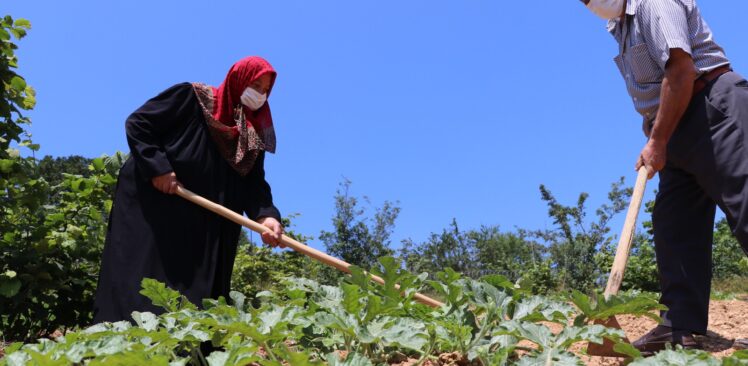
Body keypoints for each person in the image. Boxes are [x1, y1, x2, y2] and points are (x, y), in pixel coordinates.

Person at [581, 0, 748, 355]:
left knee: (745, 206)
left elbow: (681, 69)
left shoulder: (653, 3)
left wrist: (657, 140)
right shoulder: (621, 28)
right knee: (675, 225)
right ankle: (680, 327)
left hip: (712, 108)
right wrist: (659, 135)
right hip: (675, 127)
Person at [93, 56, 285, 323]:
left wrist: (267, 216)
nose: (260, 95)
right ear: (238, 79)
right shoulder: (192, 98)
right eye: (256, 85)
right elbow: (139, 123)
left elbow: (255, 185)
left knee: (198, 300)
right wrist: (158, 168)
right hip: (156, 212)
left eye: (266, 90)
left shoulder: (250, 138)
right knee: (142, 283)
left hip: (207, 229)